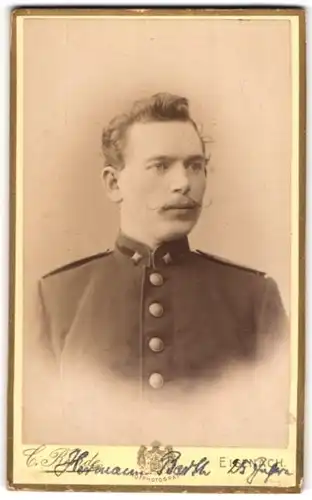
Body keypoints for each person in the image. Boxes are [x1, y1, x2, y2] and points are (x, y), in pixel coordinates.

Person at [29, 92, 289, 445]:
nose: (184, 183)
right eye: (161, 165)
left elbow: (277, 440)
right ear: (113, 183)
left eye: (195, 165)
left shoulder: (254, 297)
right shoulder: (56, 297)